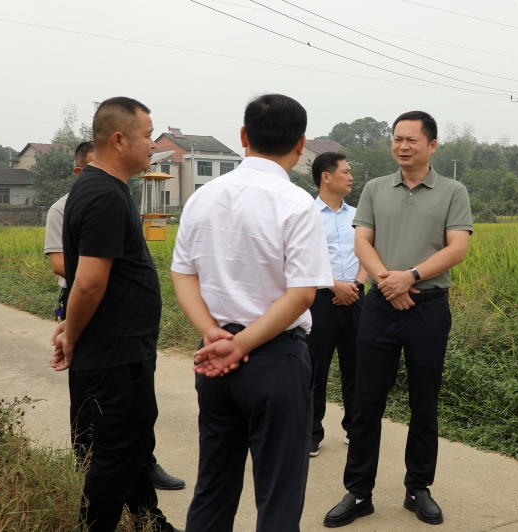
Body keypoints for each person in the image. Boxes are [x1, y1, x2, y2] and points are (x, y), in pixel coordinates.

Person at [171, 93, 333, 532]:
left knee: (213, 485)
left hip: (215, 359)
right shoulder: (297, 203)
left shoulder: (202, 198)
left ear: (243, 136)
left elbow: (182, 274)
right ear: (301, 144)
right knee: (278, 496)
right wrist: (239, 345)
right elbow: (301, 295)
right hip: (275, 360)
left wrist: (213, 334)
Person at [324, 111, 473, 528]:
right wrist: (389, 282)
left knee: (424, 399)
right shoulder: (375, 188)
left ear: (432, 145)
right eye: (397, 138)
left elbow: (457, 247)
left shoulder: (452, 191)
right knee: (366, 400)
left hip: (428, 305)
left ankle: (418, 487)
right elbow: (362, 241)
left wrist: (411, 276)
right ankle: (358, 491)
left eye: (411, 139)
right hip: (380, 307)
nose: (402, 146)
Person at [50, 97, 182, 532]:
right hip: (116, 351)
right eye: (147, 136)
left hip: (121, 347)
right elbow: (88, 283)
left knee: (132, 442)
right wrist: (71, 335)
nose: (153, 145)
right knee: (117, 453)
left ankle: (149, 521)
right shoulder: (104, 194)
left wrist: (71, 325)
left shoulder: (101, 188)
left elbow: (88, 276)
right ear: (120, 139)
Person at [308, 151, 367, 458]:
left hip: (356, 297)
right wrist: (334, 285)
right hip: (321, 298)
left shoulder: (358, 215)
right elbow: (302, 258)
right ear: (326, 177)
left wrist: (356, 285)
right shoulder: (306, 214)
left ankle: (355, 430)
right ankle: (311, 433)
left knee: (357, 367)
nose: (351, 177)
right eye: (346, 171)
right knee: (314, 368)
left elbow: (369, 252)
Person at [44, 141, 95, 460]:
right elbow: (58, 264)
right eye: (93, 168)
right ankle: (85, 456)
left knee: (130, 384)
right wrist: (99, 274)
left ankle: (145, 460)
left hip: (113, 297)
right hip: (80, 294)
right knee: (85, 380)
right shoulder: (61, 209)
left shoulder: (115, 201)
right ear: (78, 172)